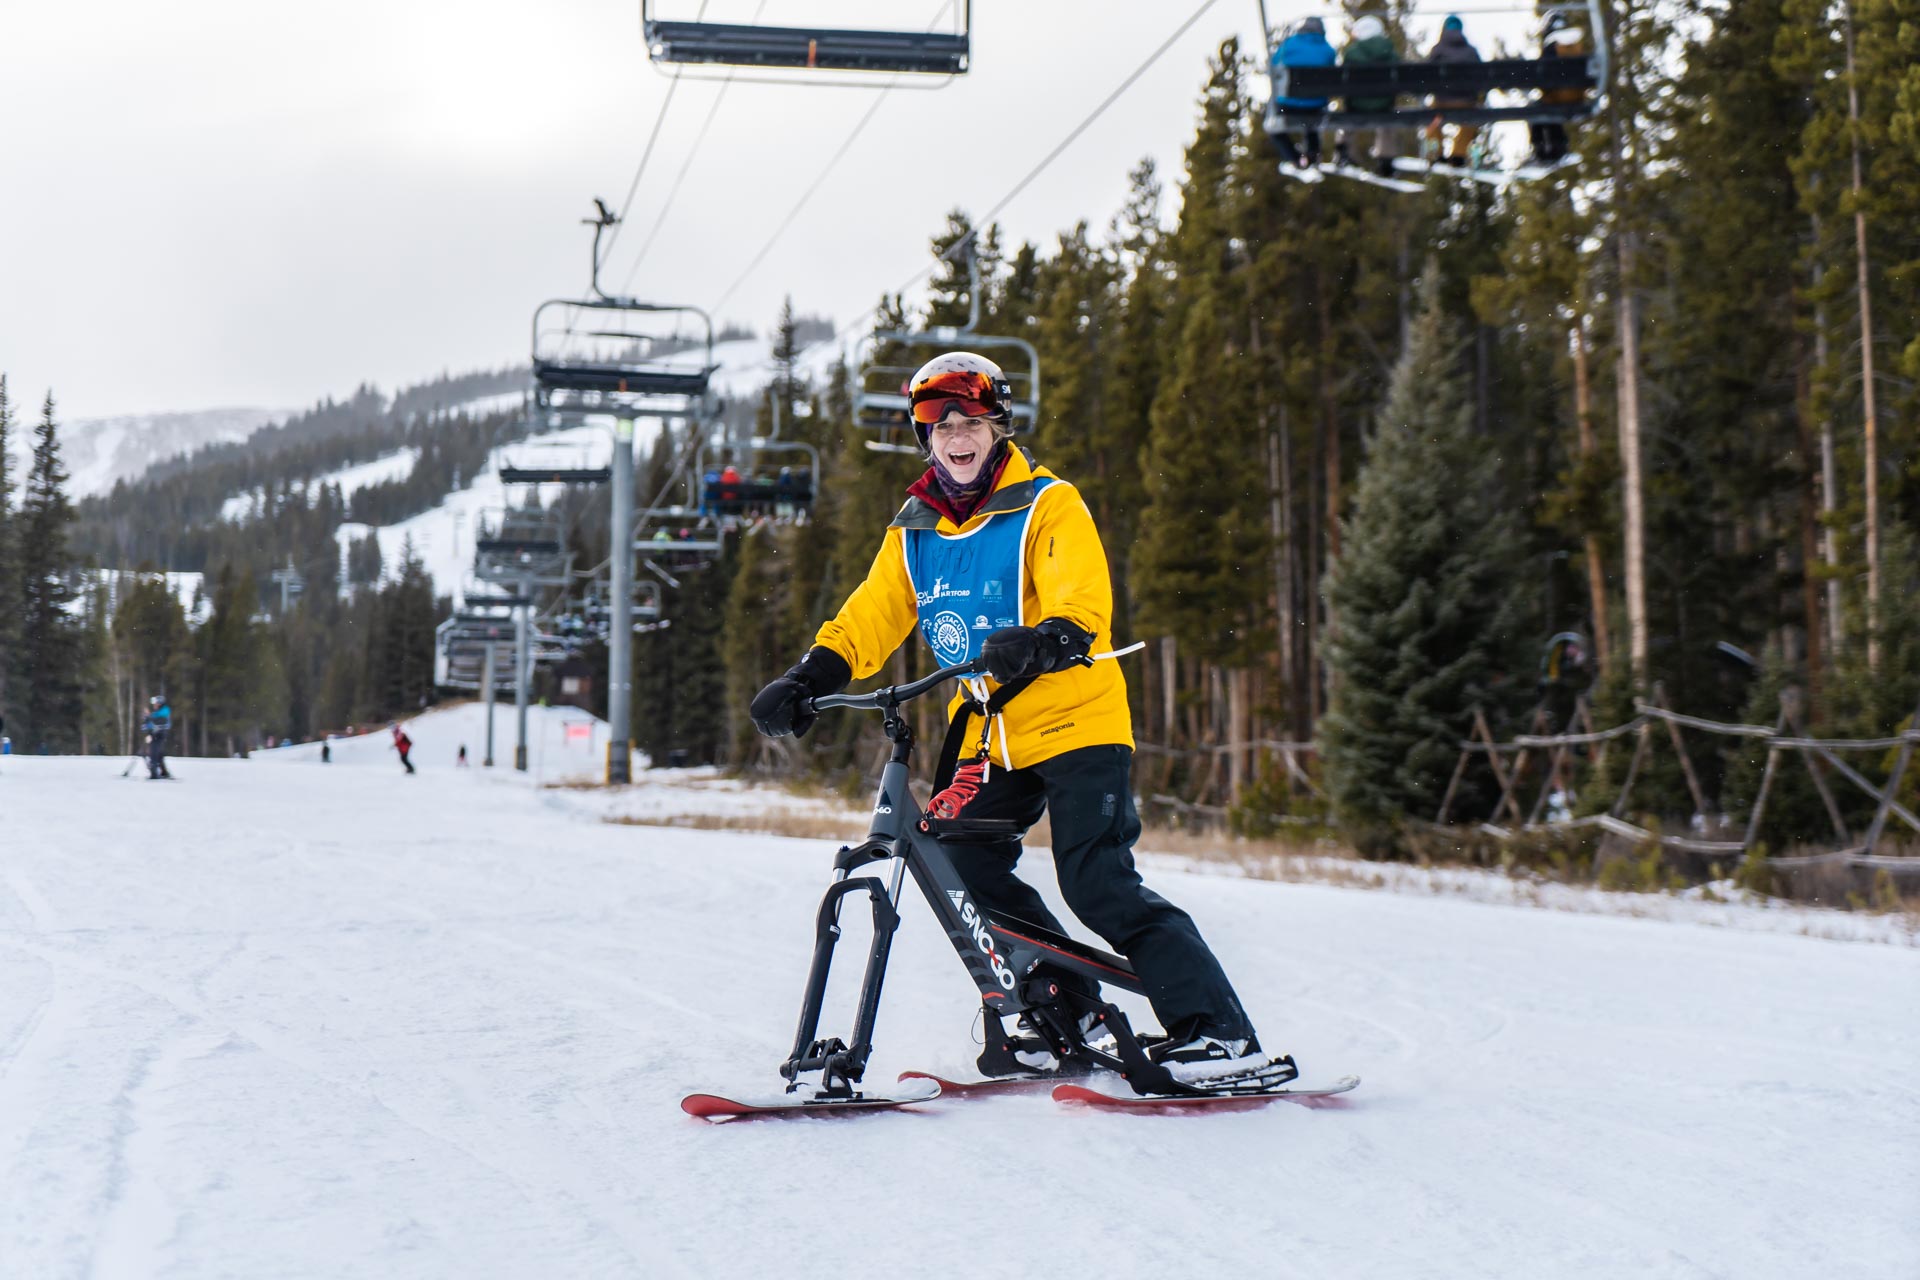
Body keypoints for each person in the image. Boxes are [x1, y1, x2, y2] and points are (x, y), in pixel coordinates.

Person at [749, 352, 1271, 1082]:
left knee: (1096, 881)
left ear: (998, 425)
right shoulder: (915, 528)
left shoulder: (1048, 503)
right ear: (923, 439)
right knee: (959, 858)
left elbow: (1080, 593)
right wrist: (809, 677)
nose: (956, 436)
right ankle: (1067, 1007)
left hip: (1077, 717)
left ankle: (1217, 1033)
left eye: (970, 421)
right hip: (991, 734)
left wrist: (1052, 634)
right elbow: (872, 615)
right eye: (938, 425)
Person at [1268, 18, 1338, 170]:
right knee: (1311, 121)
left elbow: (1274, 65)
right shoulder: (1328, 50)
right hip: (1316, 104)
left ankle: (1293, 158)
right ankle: (1312, 154)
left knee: (1272, 125)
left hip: (1288, 103)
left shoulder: (1288, 44)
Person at [1337, 15, 1401, 176]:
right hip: (1383, 104)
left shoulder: (1351, 53)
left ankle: (1343, 151)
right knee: (1387, 115)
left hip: (1357, 104)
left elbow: (1343, 81)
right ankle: (1386, 160)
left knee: (1347, 110)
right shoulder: (1390, 52)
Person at [1529, 12, 1589, 166]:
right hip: (1577, 98)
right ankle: (1559, 150)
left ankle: (1541, 151)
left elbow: (1542, 77)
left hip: (1556, 98)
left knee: (1537, 109)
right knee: (1548, 108)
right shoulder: (1574, 45)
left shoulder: (1550, 47)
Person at [1423, 14, 1484, 166]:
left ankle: (1436, 153)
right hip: (1467, 102)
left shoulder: (1437, 50)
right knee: (1471, 120)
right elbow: (1482, 77)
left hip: (1441, 103)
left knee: (1432, 120)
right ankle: (1458, 154)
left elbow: (1427, 76)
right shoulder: (1471, 51)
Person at [142, 694, 173, 779]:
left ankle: (154, 773)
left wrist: (149, 717)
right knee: (157, 754)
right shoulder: (156, 713)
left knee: (154, 753)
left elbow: (159, 722)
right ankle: (164, 772)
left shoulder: (164, 711)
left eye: (156, 704)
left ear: (160, 704)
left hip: (159, 736)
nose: (154, 705)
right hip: (153, 736)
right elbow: (147, 725)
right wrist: (146, 720)